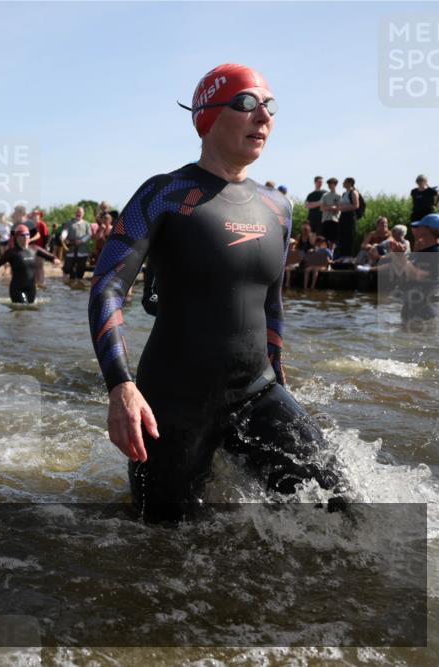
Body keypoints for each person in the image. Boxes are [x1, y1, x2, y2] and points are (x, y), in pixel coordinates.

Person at [89, 63, 345, 521]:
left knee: (342, 507)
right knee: (161, 538)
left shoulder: (278, 207)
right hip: (173, 402)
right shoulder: (164, 193)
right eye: (247, 103)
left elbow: (271, 302)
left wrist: (279, 378)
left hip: (256, 391)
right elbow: (107, 288)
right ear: (207, 116)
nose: (263, 117)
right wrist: (121, 387)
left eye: (270, 106)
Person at [0, 223, 59, 303]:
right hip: (17, 288)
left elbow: (50, 256)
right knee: (22, 307)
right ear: (17, 237)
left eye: (27, 234)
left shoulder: (34, 249)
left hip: (31, 288)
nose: (26, 237)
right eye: (23, 235)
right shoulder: (11, 252)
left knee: (30, 308)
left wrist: (54, 260)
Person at [394, 213, 439, 322]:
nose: (416, 229)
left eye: (420, 227)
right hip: (416, 304)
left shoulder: (437, 253)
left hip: (426, 308)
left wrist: (401, 256)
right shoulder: (424, 250)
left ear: (427, 230)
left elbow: (418, 276)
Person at [61, 207, 92, 282]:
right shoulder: (69, 223)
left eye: (80, 212)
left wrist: (81, 241)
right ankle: (68, 285)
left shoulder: (86, 224)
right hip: (71, 249)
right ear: (75, 213)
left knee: (80, 271)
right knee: (67, 269)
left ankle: (78, 285)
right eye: (77, 212)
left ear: (83, 214)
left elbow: (89, 234)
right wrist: (63, 236)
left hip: (82, 250)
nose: (79, 213)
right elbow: (65, 231)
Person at [336, 177, 360, 259]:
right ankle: (343, 255)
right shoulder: (344, 193)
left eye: (345, 182)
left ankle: (349, 256)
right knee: (342, 235)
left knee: (349, 235)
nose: (343, 183)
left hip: (350, 217)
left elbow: (356, 205)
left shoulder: (353, 192)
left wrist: (343, 208)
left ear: (349, 183)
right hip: (343, 216)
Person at [320, 177, 341, 253]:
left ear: (335, 184)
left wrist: (328, 207)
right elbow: (322, 208)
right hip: (325, 219)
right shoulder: (325, 195)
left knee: (333, 240)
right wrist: (332, 207)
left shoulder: (339, 195)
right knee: (324, 239)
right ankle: (325, 254)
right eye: (328, 184)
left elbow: (338, 208)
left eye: (330, 183)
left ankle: (332, 253)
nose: (329, 185)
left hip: (335, 220)